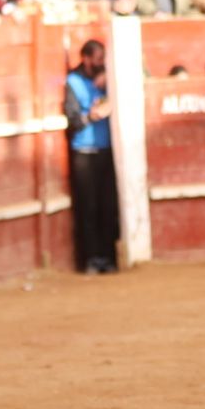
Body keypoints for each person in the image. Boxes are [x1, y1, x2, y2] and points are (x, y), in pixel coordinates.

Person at [64, 40, 119, 275]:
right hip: (83, 152)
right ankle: (90, 259)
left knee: (107, 207)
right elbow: (74, 121)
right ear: (85, 58)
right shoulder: (73, 82)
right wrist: (93, 116)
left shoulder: (108, 80)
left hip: (106, 150)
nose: (100, 63)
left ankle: (108, 258)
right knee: (88, 208)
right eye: (97, 59)